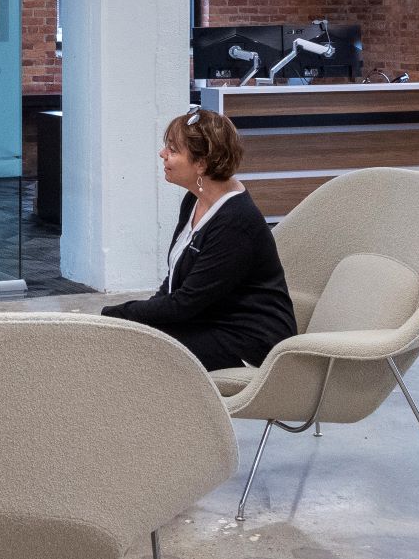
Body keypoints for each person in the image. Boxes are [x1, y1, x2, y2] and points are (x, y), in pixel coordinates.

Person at [102, 107, 296, 372]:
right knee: (128, 339)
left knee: (140, 349)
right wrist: (132, 318)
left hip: (250, 345)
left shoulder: (235, 221)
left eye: (173, 150)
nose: (163, 155)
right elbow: (173, 287)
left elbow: (184, 304)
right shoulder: (195, 199)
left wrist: (118, 314)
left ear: (201, 164)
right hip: (209, 323)